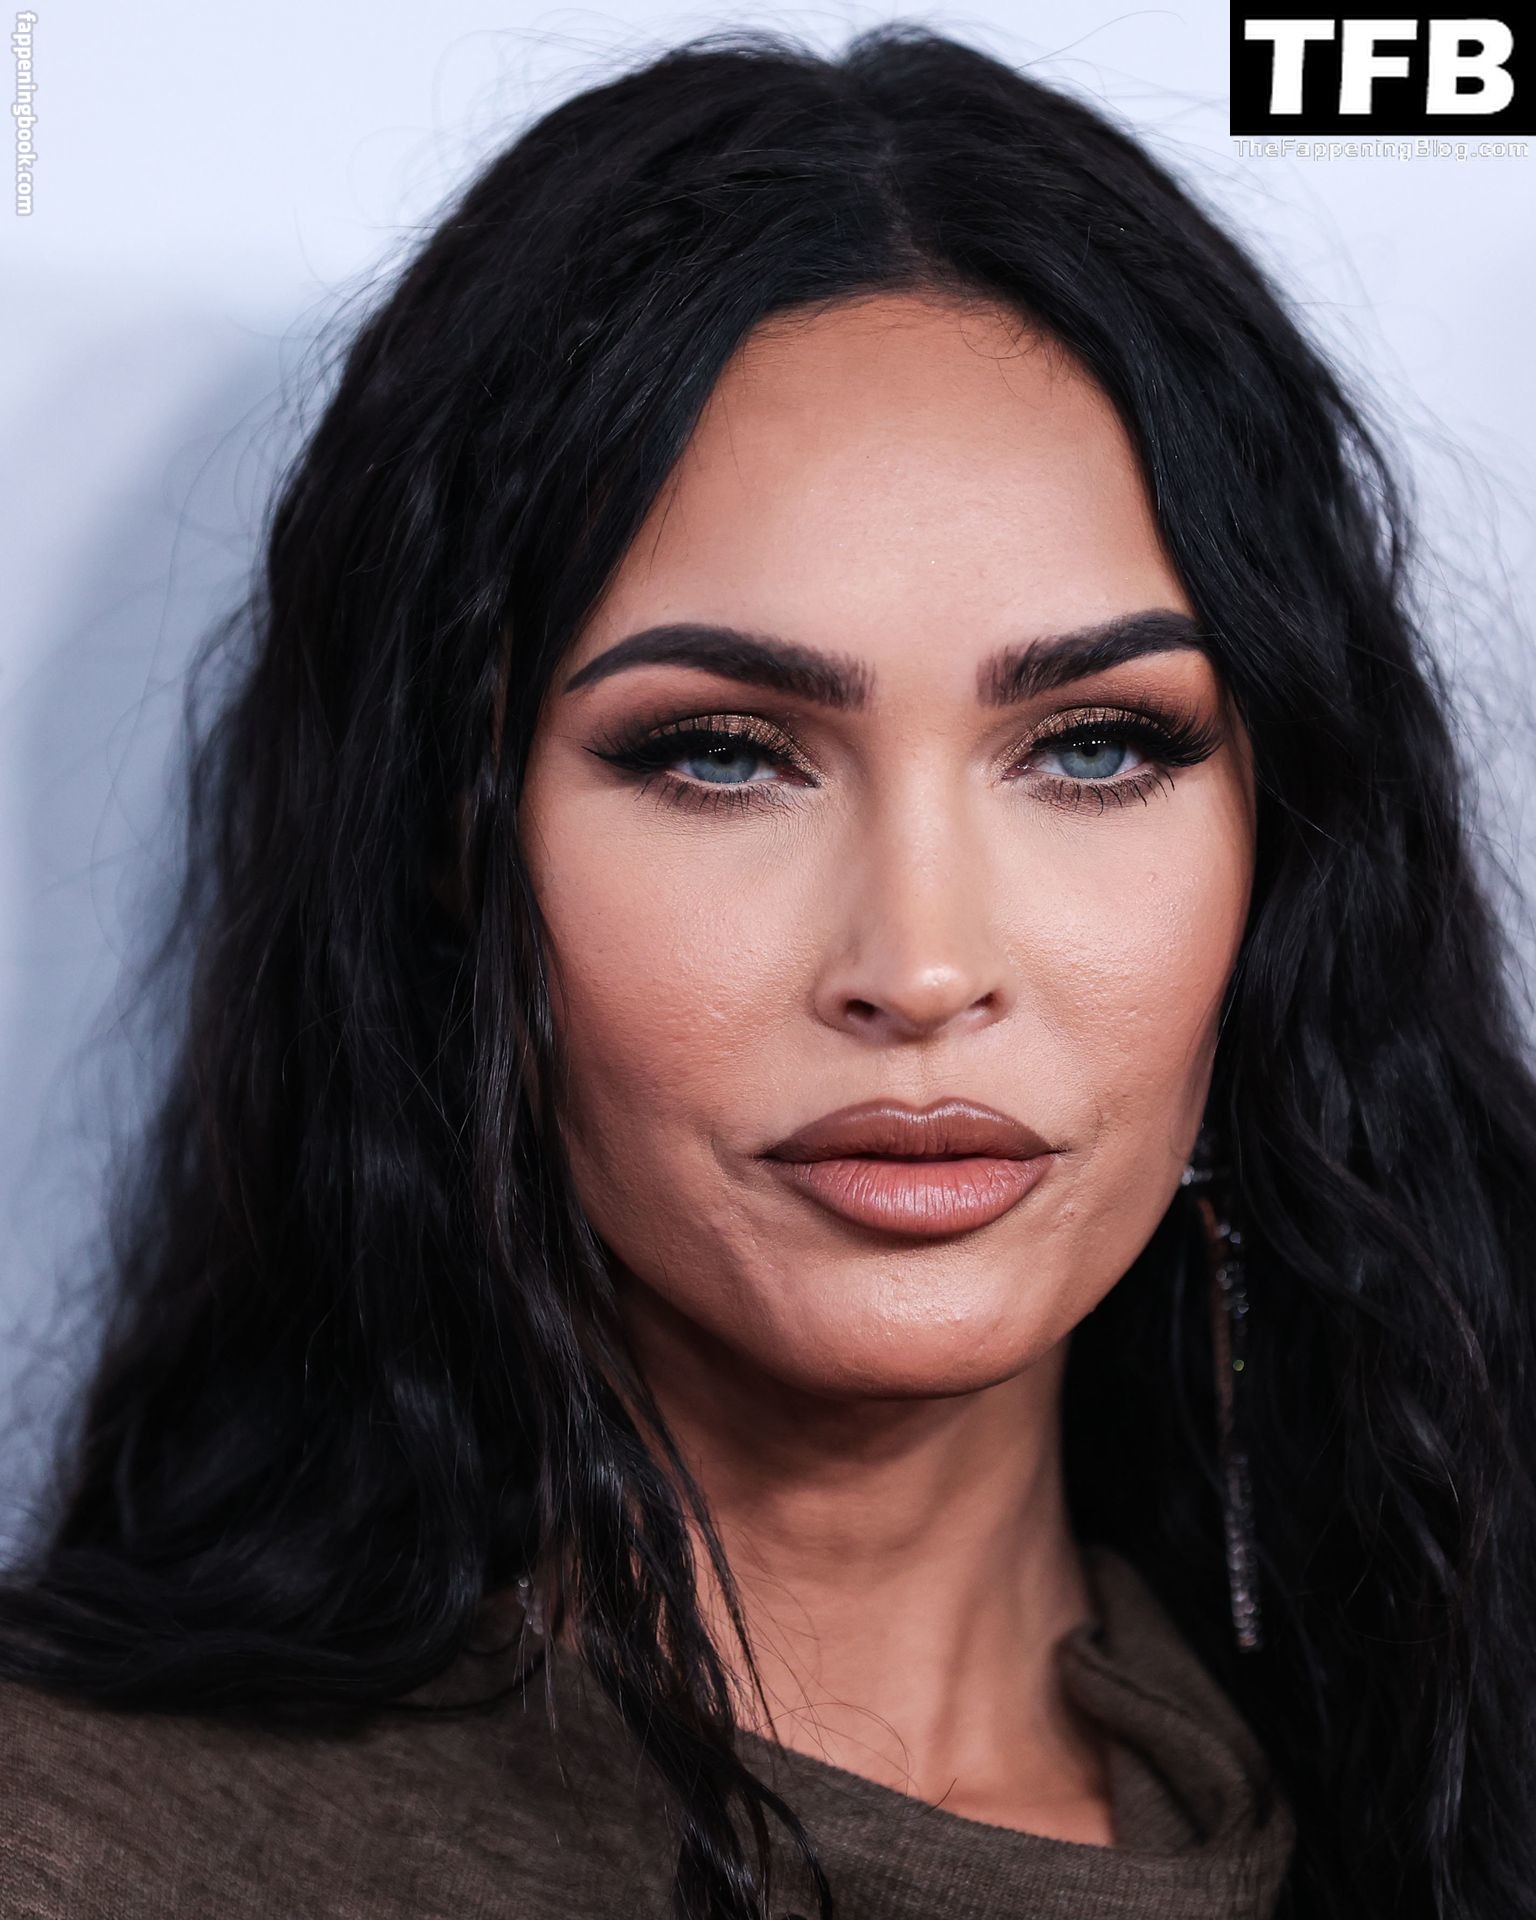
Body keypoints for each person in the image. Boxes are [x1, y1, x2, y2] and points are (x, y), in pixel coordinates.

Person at [3, 23, 1534, 1920]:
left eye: (1093, 747)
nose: (924, 965)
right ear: (455, 844)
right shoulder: (78, 1850)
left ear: (1285, 850)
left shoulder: (1448, 1790)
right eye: (722, 755)